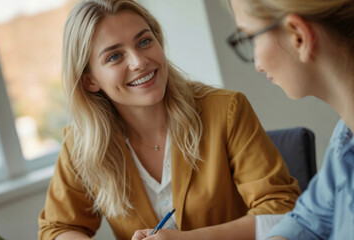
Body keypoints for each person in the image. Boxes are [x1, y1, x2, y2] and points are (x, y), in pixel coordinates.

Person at [38, 0, 300, 239]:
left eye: (144, 42)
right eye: (115, 56)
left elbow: (280, 210)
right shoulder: (81, 144)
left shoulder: (226, 110)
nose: (139, 62)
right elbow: (57, 228)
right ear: (90, 80)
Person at [227, 0, 354, 239]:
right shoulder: (344, 137)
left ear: (298, 36)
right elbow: (308, 221)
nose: (258, 65)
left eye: (251, 37)